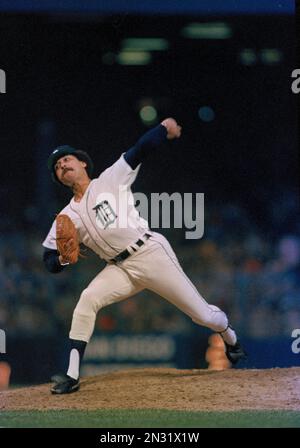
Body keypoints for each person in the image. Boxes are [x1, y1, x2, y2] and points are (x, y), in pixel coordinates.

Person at [43, 118, 246, 394]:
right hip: (119, 269)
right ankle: (72, 375)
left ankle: (230, 336)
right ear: (58, 179)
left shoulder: (109, 180)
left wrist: (164, 128)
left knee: (203, 316)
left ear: (82, 164)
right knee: (87, 299)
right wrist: (63, 260)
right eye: (57, 167)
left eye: (66, 160)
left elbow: (140, 148)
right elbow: (49, 260)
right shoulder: (66, 217)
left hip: (149, 253)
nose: (62, 165)